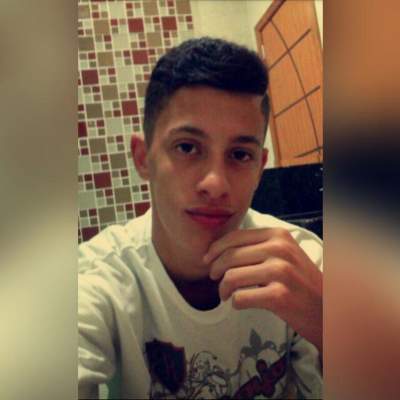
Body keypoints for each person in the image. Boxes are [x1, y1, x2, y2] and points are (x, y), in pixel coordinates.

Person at [78, 37, 323, 399]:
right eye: (187, 147)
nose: (216, 184)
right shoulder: (96, 279)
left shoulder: (303, 263)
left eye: (240, 154)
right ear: (143, 158)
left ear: (259, 168)